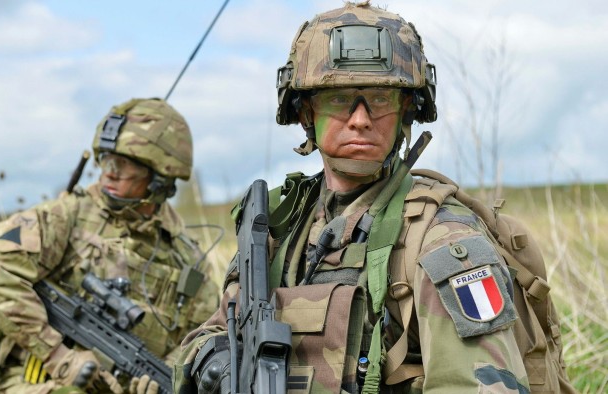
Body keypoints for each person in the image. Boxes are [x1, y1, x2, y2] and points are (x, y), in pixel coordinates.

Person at [174, 3, 574, 393]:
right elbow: (213, 329)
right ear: (306, 113)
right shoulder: (281, 227)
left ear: (406, 113)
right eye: (339, 99)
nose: (361, 118)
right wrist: (215, 358)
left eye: (381, 99)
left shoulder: (443, 239)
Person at [0, 98, 219, 393]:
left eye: (124, 164)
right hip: (25, 379)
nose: (109, 172)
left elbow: (203, 335)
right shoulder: (63, 217)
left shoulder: (189, 261)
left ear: (160, 178)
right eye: (106, 160)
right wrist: (59, 356)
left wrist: (167, 377)